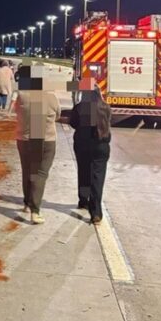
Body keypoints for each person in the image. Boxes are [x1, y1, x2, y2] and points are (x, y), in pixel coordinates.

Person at [14, 70, 61, 225]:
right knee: (40, 174)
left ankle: (27, 204)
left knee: (27, 171)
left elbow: (17, 112)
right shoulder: (51, 98)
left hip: (24, 139)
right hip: (47, 140)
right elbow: (58, 115)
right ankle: (35, 211)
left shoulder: (22, 96)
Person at [68, 86, 113, 225]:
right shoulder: (105, 107)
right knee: (98, 177)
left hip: (83, 144)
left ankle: (83, 200)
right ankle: (96, 213)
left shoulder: (80, 107)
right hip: (101, 146)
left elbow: (73, 123)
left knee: (84, 171)